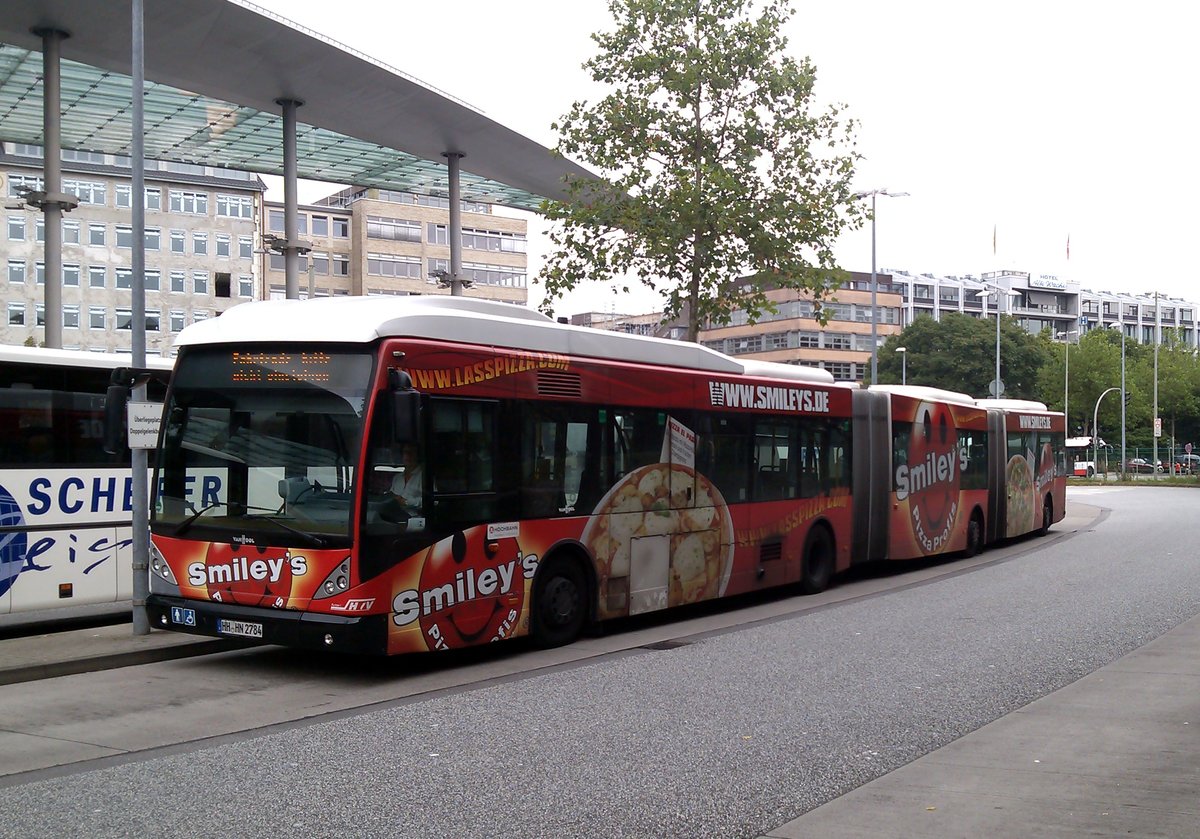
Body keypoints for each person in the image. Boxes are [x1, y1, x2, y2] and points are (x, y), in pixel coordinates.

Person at [390, 443, 423, 514]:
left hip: (416, 519)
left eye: (412, 452)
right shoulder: (397, 478)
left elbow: (434, 501)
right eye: (406, 452)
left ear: (418, 456)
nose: (408, 456)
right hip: (394, 519)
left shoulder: (424, 477)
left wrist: (407, 502)